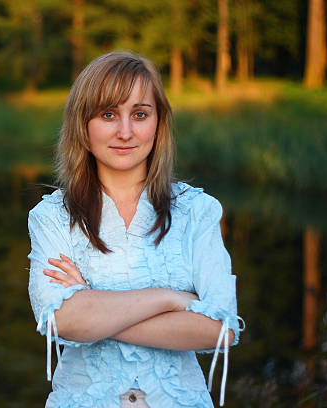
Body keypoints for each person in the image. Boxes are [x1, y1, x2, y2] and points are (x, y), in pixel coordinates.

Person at [27, 51, 244, 408]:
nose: (125, 132)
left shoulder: (197, 211)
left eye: (140, 114)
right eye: (108, 114)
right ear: (83, 124)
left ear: (158, 122)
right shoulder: (52, 216)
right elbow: (60, 320)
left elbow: (220, 329)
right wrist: (170, 300)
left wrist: (95, 309)